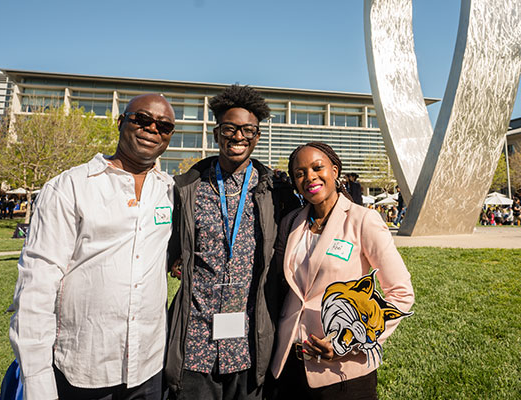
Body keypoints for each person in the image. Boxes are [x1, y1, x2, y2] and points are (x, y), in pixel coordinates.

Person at [9, 94, 176, 400]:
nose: (153, 129)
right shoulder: (69, 187)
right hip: (83, 370)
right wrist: (37, 379)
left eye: (164, 126)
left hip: (149, 368)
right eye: (142, 119)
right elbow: (36, 287)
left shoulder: (169, 191)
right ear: (120, 122)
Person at [165, 85, 299, 400]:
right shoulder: (188, 188)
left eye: (248, 130)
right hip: (196, 342)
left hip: (250, 344)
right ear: (216, 133)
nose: (238, 136)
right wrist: (174, 259)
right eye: (230, 128)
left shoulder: (276, 193)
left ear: (257, 136)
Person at [270, 142, 414, 399]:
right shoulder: (292, 222)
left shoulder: (363, 220)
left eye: (317, 168)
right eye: (300, 173)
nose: (309, 177)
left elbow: (401, 293)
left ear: (335, 170)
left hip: (343, 373)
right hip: (289, 367)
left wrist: (349, 343)